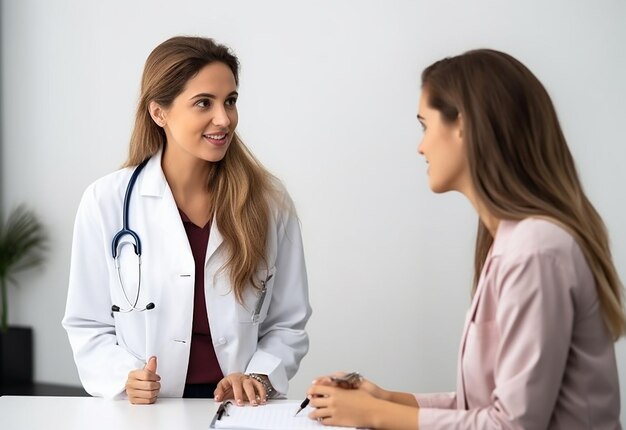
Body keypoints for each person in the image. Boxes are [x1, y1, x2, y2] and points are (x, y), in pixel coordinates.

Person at [307, 49, 625, 429]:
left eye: (424, 125)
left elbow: (510, 425)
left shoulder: (535, 250)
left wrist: (375, 415)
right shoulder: (512, 242)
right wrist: (384, 398)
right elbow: (484, 406)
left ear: (464, 124)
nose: (420, 146)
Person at [62, 36, 311, 405]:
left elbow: (289, 321)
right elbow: (87, 324)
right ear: (159, 112)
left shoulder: (269, 201)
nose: (224, 119)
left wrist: (259, 375)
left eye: (230, 101)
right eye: (203, 103)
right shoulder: (106, 202)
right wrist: (123, 376)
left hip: (238, 407)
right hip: (147, 408)